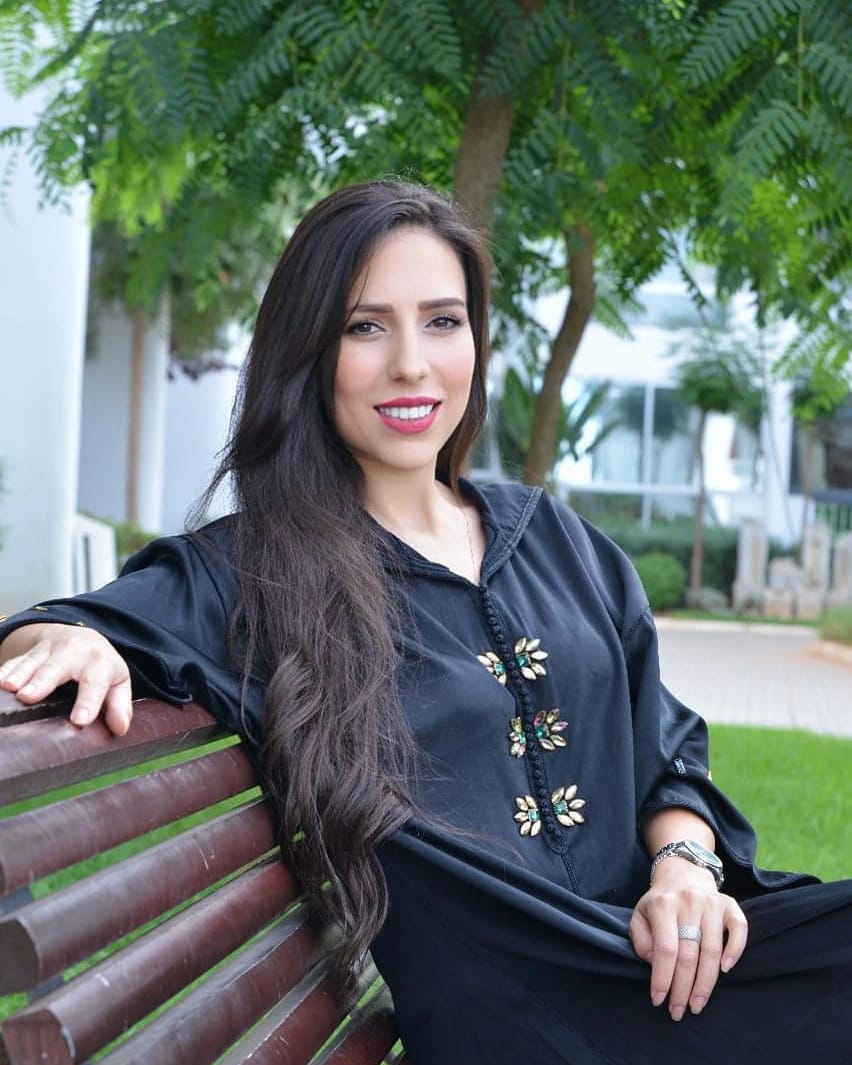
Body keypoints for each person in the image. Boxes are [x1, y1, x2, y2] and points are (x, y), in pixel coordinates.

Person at [0, 180, 849, 1064]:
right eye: (365, 327)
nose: (412, 363)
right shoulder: (260, 572)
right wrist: (64, 638)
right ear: (309, 351)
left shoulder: (556, 540)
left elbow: (666, 752)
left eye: (443, 321)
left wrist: (684, 871)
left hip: (667, 973)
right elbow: (57, 628)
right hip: (536, 1022)